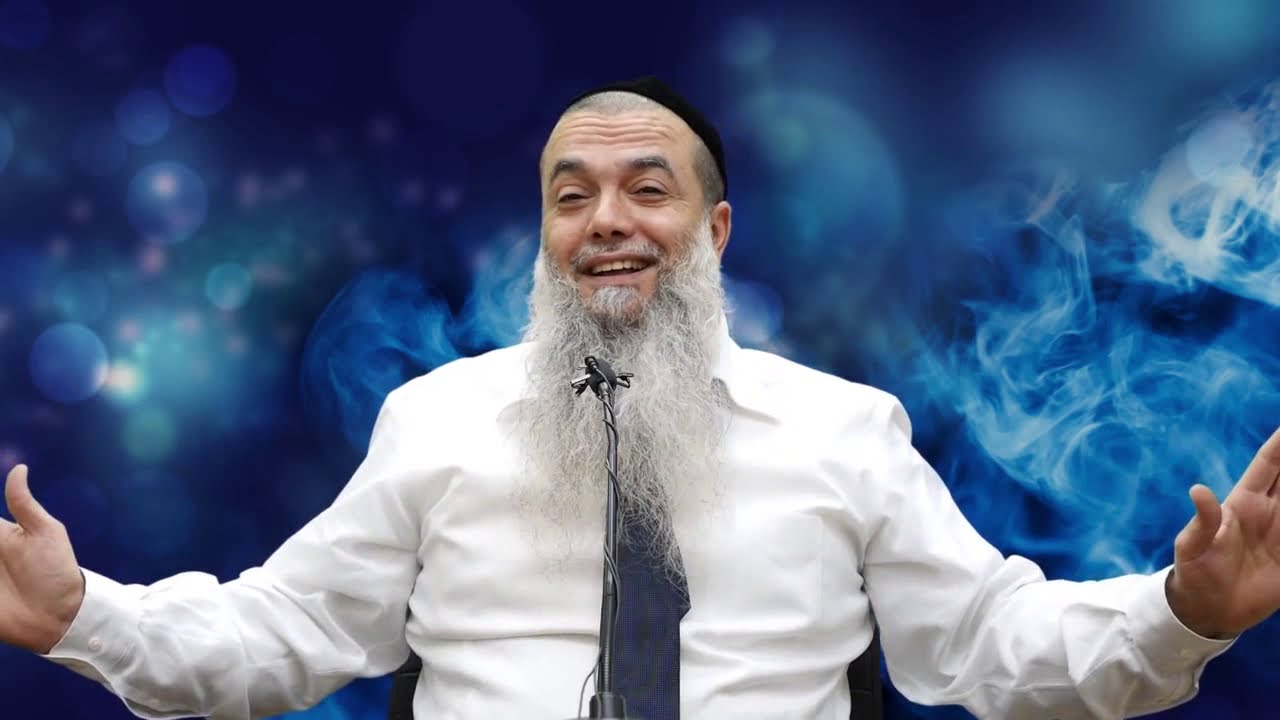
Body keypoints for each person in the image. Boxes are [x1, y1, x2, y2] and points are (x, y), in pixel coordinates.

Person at [1, 76, 1278, 720]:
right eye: (571, 196)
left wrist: (1179, 615)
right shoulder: (434, 422)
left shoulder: (844, 431)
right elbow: (278, 633)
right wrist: (81, 614)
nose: (605, 220)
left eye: (646, 188)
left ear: (713, 231)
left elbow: (995, 645)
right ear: (545, 236)